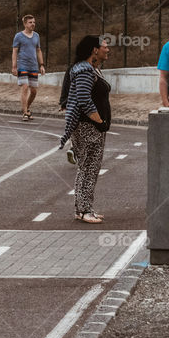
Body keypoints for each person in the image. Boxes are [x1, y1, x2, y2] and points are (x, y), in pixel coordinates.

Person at [60, 35, 111, 224]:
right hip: (87, 127)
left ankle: (84, 208)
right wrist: (100, 122)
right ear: (94, 50)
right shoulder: (84, 70)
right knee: (88, 168)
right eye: (105, 46)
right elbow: (83, 99)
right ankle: (84, 210)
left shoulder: (91, 69)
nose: (108, 49)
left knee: (88, 168)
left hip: (90, 127)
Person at [12, 14, 45, 121]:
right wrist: (14, 66)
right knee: (25, 87)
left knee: (34, 91)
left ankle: (27, 108)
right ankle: (25, 113)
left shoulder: (36, 36)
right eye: (30, 22)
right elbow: (15, 51)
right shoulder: (18, 36)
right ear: (25, 24)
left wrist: (42, 65)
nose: (33, 24)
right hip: (22, 65)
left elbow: (38, 50)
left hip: (34, 66)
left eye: (34, 22)